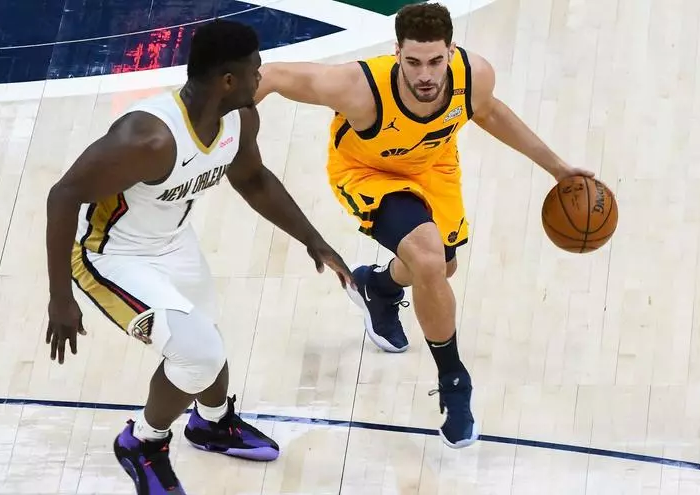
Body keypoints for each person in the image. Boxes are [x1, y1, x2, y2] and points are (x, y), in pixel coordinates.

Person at [254, 2, 593, 449]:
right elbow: (272, 76)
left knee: (440, 269)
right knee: (430, 260)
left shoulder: (473, 76)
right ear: (396, 52)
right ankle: (455, 382)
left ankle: (379, 287)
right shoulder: (358, 87)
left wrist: (558, 169)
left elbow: (490, 113)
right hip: (368, 172)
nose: (425, 74)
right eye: (413, 62)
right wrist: (211, 123)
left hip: (433, 167)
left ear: (451, 51)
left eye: (435, 60)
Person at [44, 20, 354, 494]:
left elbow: (252, 179)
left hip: (173, 242)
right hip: (111, 256)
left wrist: (313, 239)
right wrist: (60, 299)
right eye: (254, 70)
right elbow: (63, 195)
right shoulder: (149, 138)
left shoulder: (240, 118)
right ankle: (142, 443)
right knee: (197, 354)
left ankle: (212, 423)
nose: (261, 77)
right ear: (228, 80)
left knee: (206, 340)